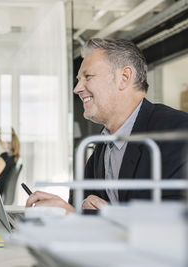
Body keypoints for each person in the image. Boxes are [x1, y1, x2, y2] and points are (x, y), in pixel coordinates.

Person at [27, 38, 188, 213]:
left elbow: (176, 224)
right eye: (78, 79)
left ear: (124, 78)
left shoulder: (178, 132)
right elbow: (78, 199)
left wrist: (102, 216)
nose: (77, 88)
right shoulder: (104, 144)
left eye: (87, 76)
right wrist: (63, 208)